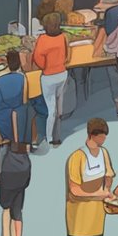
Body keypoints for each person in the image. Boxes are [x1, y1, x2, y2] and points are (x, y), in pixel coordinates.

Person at [0, 81, 32, 236]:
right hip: (23, 171)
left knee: (6, 206)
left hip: (8, 171)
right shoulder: (29, 113)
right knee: (18, 212)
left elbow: (2, 151)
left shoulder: (7, 118)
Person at [31, 14, 68, 144]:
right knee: (59, 106)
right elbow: (67, 55)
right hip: (62, 73)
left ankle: (50, 138)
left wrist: (46, 66)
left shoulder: (42, 39)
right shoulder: (63, 37)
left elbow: (38, 59)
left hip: (48, 76)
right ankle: (58, 134)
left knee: (51, 109)